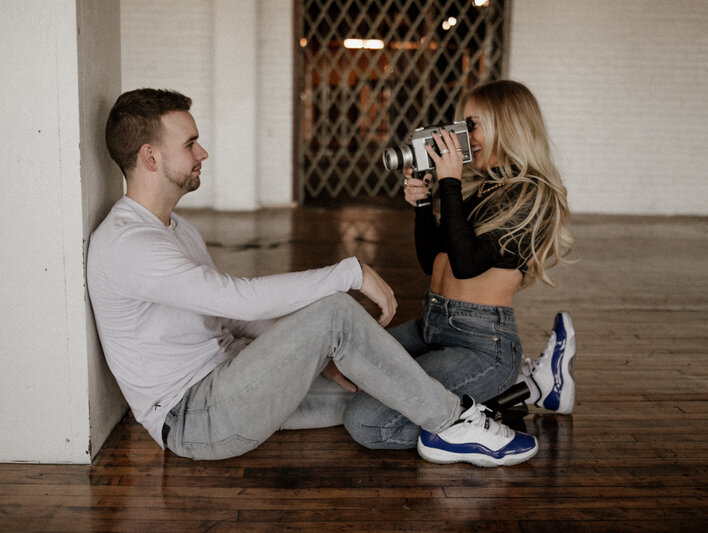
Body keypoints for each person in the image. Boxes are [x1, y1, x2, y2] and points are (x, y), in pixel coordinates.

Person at [87, 88, 539, 467]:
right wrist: (349, 272)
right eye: (190, 143)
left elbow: (232, 319)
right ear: (150, 156)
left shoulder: (175, 229)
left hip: (237, 379)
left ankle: (504, 399)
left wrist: (317, 356)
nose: (202, 151)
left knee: (376, 394)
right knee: (334, 313)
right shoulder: (131, 244)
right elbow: (238, 302)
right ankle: (454, 425)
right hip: (197, 416)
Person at [343, 80, 576, 450]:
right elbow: (432, 259)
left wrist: (449, 182)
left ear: (508, 124)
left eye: (473, 125)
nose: (465, 137)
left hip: (481, 345)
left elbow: (467, 266)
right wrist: (423, 204)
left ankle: (483, 417)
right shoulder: (481, 186)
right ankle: (517, 393)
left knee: (368, 424)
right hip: (432, 325)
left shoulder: (532, 194)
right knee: (351, 368)